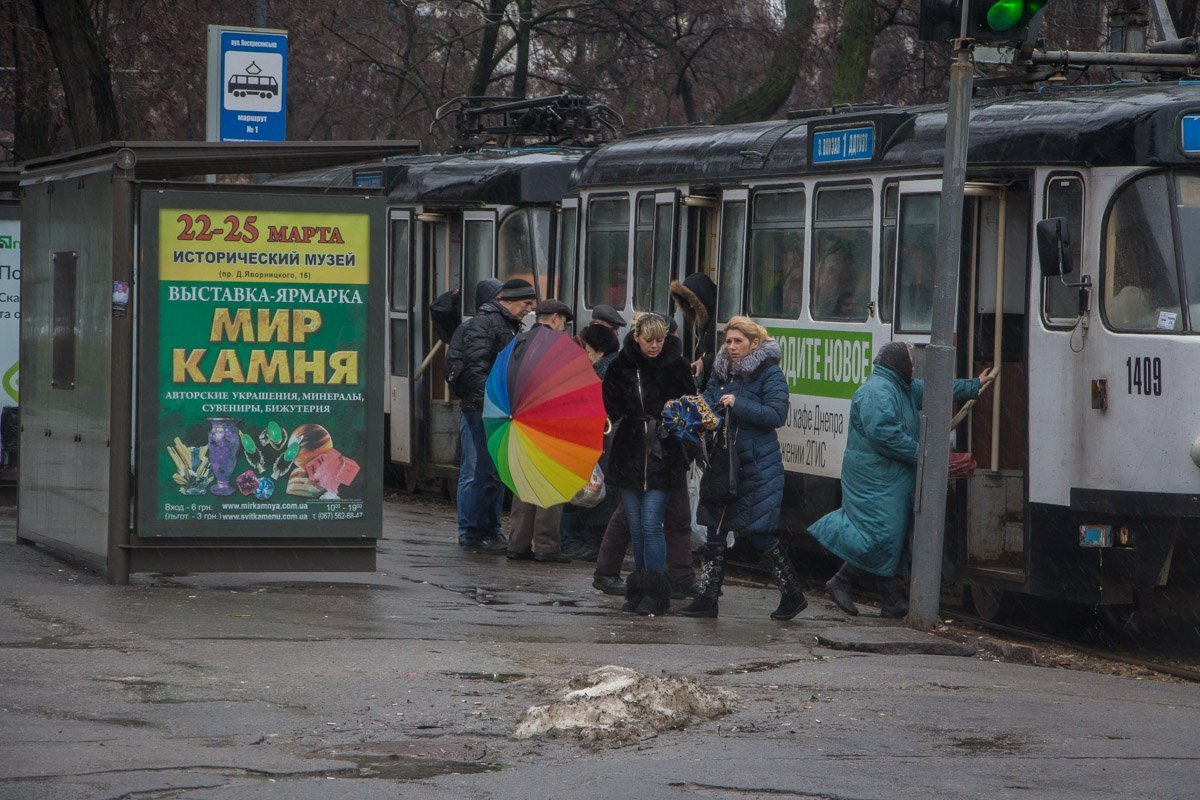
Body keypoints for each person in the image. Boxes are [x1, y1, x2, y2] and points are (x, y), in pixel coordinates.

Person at [811, 341, 993, 618]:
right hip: (876, 476)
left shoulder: (899, 386)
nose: (914, 365)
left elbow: (937, 391)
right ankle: (842, 581)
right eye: (910, 360)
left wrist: (973, 385)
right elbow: (885, 435)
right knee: (882, 534)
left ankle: (892, 600)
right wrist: (925, 455)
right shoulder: (878, 392)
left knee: (892, 534)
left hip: (887, 474)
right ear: (897, 362)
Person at [680, 316, 805, 620]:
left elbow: (776, 414)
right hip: (723, 461)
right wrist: (691, 412)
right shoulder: (721, 370)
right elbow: (708, 403)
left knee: (759, 532)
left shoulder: (770, 373)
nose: (732, 347)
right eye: (729, 341)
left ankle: (792, 594)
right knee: (715, 528)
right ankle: (708, 598)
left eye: (739, 341)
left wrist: (738, 403)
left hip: (758, 465)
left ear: (755, 343)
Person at [601, 312, 695, 615]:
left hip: (663, 452)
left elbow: (689, 407)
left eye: (660, 340)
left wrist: (675, 422)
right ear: (637, 337)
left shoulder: (677, 366)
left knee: (652, 523)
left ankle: (655, 593)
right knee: (638, 527)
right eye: (649, 340)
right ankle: (639, 590)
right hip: (629, 450)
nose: (654, 346)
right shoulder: (620, 366)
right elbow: (611, 407)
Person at [445, 278, 537, 554]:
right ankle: (474, 532)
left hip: (495, 409)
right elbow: (477, 369)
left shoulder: (503, 324)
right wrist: (492, 403)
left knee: (494, 471)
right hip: (484, 409)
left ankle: (490, 530)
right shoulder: (487, 325)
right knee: (483, 471)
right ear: (508, 300)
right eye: (526, 303)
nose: (528, 309)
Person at [507, 298, 577, 563]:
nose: (565, 329)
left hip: (521, 419)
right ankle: (546, 546)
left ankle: (518, 543)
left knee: (524, 481)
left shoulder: (519, 342)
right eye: (564, 324)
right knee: (550, 482)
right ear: (556, 318)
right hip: (550, 422)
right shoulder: (558, 345)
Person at [445, 278, 504, 548]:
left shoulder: (487, 326)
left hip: (486, 406)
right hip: (476, 407)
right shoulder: (474, 328)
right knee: (475, 469)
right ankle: (470, 530)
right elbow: (469, 368)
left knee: (488, 470)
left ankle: (487, 528)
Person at [560, 323, 620, 561]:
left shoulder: (602, 376)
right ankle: (586, 541)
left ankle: (586, 542)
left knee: (593, 492)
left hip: (601, 442)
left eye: (588, 350)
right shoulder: (607, 370)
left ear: (600, 352)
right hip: (602, 442)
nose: (584, 354)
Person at [670, 272, 718, 384]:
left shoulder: (716, 321)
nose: (691, 305)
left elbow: (726, 352)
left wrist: (704, 361)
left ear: (703, 296)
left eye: (693, 301)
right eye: (687, 301)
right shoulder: (703, 320)